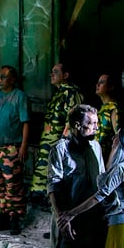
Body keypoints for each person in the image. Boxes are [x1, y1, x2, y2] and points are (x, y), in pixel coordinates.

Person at [47, 104, 105, 248]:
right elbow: (53, 185)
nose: (95, 128)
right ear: (77, 126)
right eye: (91, 124)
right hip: (65, 216)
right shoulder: (60, 149)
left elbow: (100, 181)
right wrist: (62, 217)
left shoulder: (95, 148)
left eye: (96, 123)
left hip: (88, 218)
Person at [0, 66, 30, 231]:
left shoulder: (19, 97)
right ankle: (2, 217)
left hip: (11, 148)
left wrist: (24, 146)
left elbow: (25, 123)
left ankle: (14, 218)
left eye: (3, 77)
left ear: (13, 79)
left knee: (13, 185)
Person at [30, 63, 84, 200]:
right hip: (48, 144)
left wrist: (64, 142)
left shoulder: (71, 92)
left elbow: (72, 120)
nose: (51, 75)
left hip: (57, 144)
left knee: (55, 175)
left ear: (65, 75)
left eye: (55, 72)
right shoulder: (59, 92)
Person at [95, 73, 124, 164]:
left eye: (101, 82)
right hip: (97, 156)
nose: (97, 85)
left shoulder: (114, 109)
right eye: (98, 82)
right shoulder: (103, 108)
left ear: (111, 87)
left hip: (106, 159)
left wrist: (110, 163)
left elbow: (118, 138)